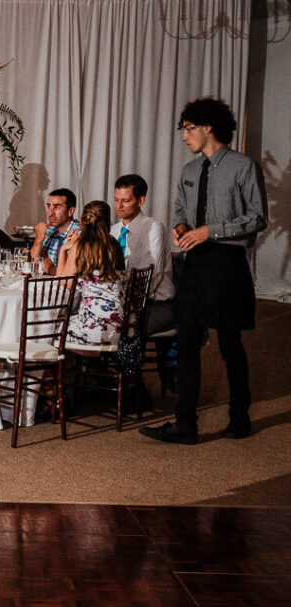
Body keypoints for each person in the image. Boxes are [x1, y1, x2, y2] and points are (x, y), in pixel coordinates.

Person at [140, 97, 267, 445]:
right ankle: (185, 425)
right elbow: (180, 207)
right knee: (186, 343)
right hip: (195, 265)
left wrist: (211, 231)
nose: (184, 136)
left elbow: (257, 217)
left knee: (229, 344)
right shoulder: (189, 171)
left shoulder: (243, 167)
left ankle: (239, 418)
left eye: (188, 128)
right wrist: (182, 227)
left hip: (227, 264)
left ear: (208, 127)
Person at [110, 174, 174, 335]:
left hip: (155, 304)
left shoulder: (153, 228)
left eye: (125, 201)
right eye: (116, 200)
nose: (119, 206)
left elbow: (152, 275)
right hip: (122, 302)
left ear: (141, 201)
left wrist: (128, 304)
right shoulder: (114, 230)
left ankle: (126, 359)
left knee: (118, 329)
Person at [58, 200, 126, 347]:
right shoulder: (114, 245)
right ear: (107, 221)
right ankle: (87, 367)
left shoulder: (81, 247)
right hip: (121, 331)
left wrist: (64, 249)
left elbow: (63, 285)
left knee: (49, 328)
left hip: (93, 333)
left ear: (82, 220)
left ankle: (61, 368)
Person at [31, 187, 80, 275]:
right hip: (52, 285)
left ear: (70, 211)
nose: (51, 213)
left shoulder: (78, 233)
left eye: (57, 207)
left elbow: (69, 274)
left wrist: (47, 268)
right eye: (49, 206)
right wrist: (38, 239)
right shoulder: (50, 231)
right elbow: (34, 264)